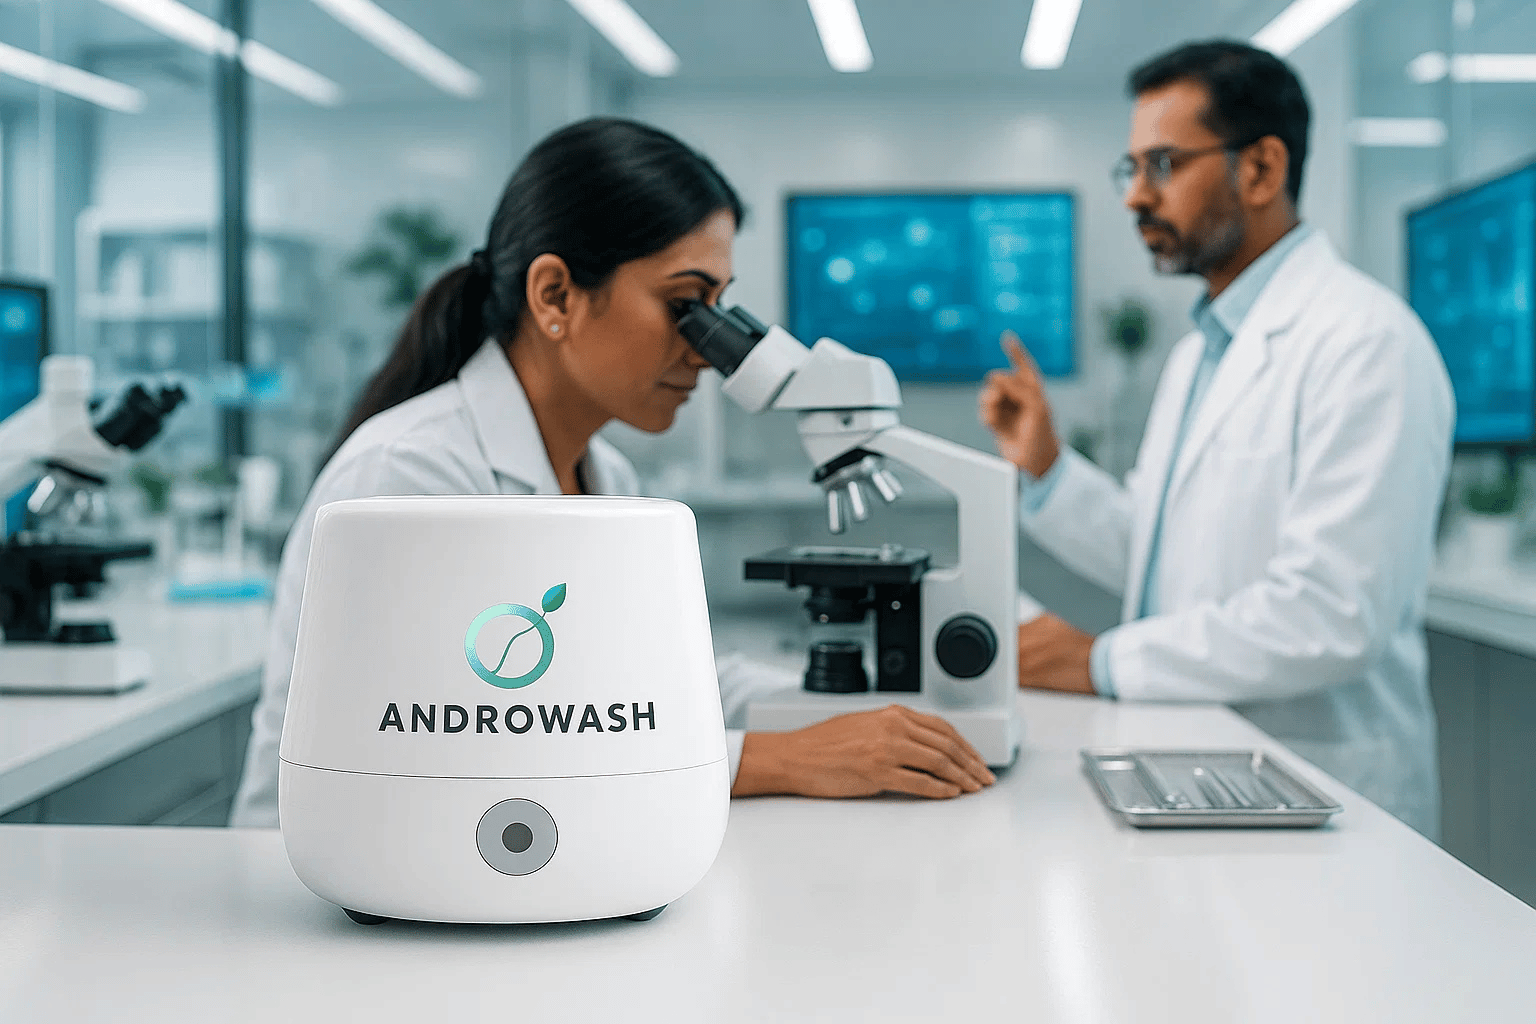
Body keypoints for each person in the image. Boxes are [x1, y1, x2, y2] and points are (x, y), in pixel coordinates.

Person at [230, 118, 994, 828]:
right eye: (685, 304)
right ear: (556, 295)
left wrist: (862, 707)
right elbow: (461, 741)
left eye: (718, 309)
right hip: (344, 878)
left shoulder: (610, 478)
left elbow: (668, 682)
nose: (707, 351)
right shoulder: (408, 475)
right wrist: (782, 758)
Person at [979, 40, 1453, 836]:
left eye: (1163, 165)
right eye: (1130, 169)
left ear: (1261, 169)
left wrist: (1100, 661)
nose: (1136, 196)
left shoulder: (1365, 342)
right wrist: (1049, 467)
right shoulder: (1201, 352)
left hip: (1328, 792)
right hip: (1195, 767)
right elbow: (1162, 553)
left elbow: (1333, 615)